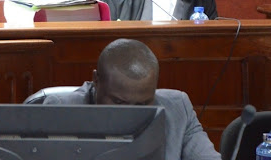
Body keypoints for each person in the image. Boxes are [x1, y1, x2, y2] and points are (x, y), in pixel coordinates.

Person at [41, 38, 220, 160]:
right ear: (96, 81)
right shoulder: (61, 111)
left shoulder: (178, 108)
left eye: (143, 104)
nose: (132, 114)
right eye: (119, 102)